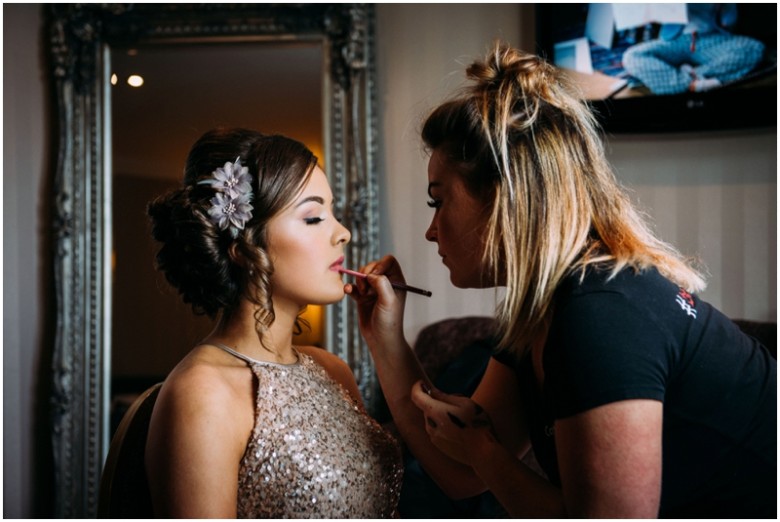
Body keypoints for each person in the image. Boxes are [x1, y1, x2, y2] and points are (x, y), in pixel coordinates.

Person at [346, 42, 776, 518]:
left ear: (505, 198)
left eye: (438, 201)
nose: (431, 230)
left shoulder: (601, 311)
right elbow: (459, 474)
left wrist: (484, 451)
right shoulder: (542, 310)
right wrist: (387, 340)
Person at [145, 128, 402, 518]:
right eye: (314, 217)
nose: (343, 233)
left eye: (333, 212)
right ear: (245, 248)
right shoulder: (202, 393)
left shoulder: (333, 371)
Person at [622, 4, 765, 94]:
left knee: (754, 48)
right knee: (632, 57)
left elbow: (729, 21)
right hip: (675, 39)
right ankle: (690, 84)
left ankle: (692, 76)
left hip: (708, 39)